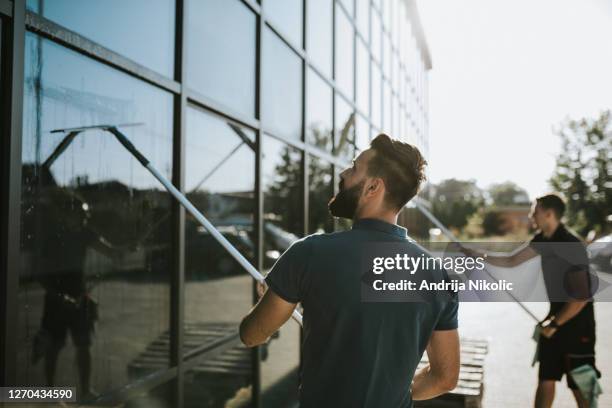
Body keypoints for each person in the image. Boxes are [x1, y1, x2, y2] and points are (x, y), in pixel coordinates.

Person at [240, 134, 460, 407]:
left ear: (372, 187)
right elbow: (445, 377)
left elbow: (252, 335)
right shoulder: (436, 274)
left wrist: (267, 300)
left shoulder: (309, 253)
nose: (343, 173)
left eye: (354, 167)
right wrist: (392, 395)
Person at [460, 193, 599, 408]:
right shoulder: (542, 240)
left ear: (549, 214)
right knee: (546, 377)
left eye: (535, 211)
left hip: (577, 326)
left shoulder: (571, 245)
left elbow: (580, 297)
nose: (531, 215)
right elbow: (512, 260)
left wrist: (555, 324)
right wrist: (478, 255)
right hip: (553, 320)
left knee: (580, 384)